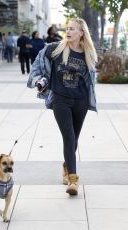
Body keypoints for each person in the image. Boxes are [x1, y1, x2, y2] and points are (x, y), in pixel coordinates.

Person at [27, 18, 97, 195]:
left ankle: (66, 166)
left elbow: (90, 81)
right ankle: (73, 179)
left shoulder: (87, 53)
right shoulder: (55, 48)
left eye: (73, 29)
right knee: (68, 136)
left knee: (74, 138)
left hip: (80, 101)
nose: (69, 31)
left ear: (81, 32)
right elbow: (37, 64)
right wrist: (39, 80)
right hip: (61, 100)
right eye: (68, 28)